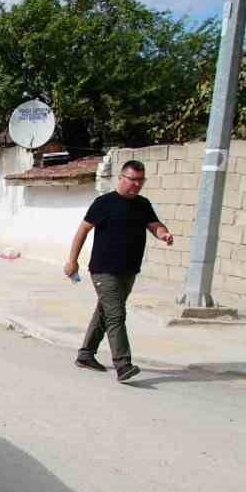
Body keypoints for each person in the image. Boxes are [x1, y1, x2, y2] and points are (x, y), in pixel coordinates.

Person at [64, 160, 174, 383]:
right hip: (104, 270)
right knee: (116, 315)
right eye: (132, 180)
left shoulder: (143, 204)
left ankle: (85, 355)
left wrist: (163, 234)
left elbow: (154, 224)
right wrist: (72, 261)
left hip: (129, 270)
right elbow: (82, 231)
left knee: (105, 312)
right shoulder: (104, 203)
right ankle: (123, 364)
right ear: (121, 178)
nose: (136, 185)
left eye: (140, 181)